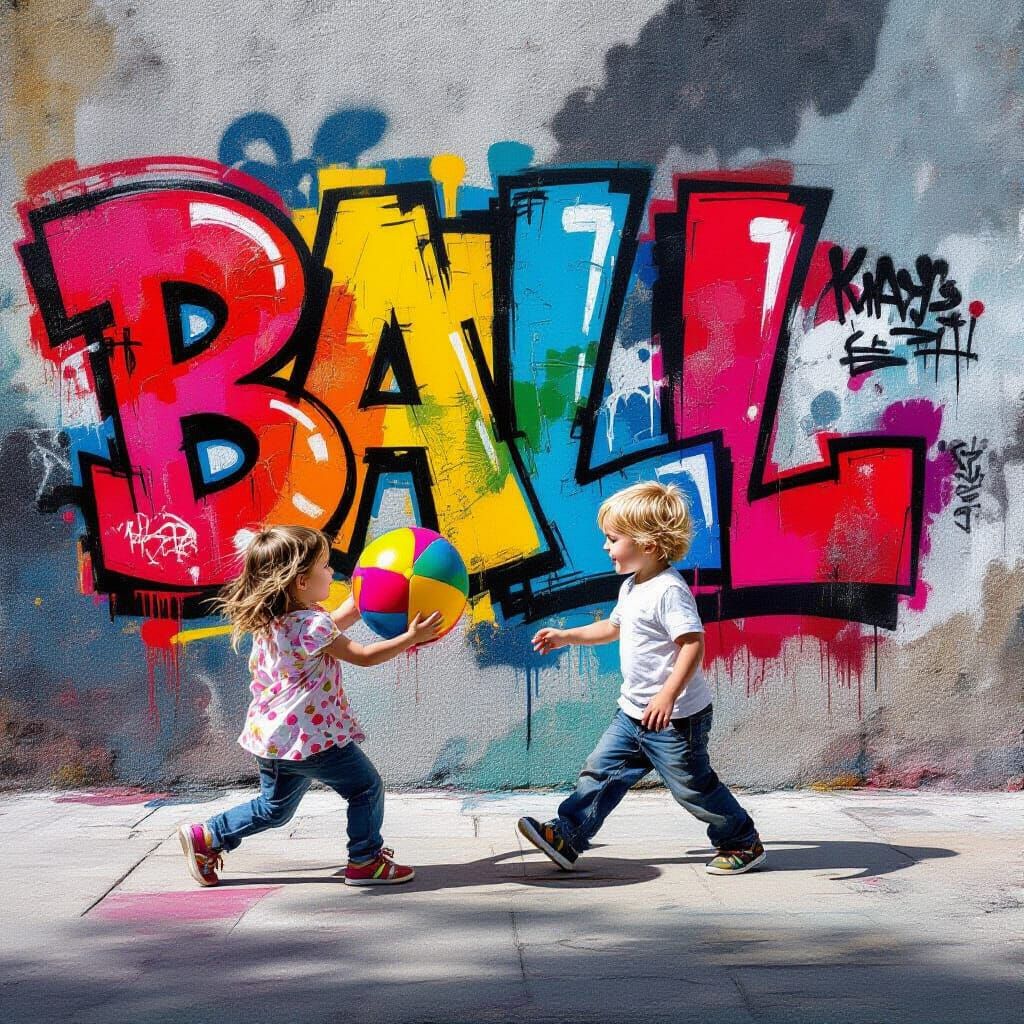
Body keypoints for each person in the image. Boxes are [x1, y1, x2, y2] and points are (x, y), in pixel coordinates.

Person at [518, 481, 765, 875]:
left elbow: (693, 644)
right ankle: (568, 834)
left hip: (676, 719)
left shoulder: (669, 591)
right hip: (633, 712)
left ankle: (741, 841)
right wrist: (566, 636)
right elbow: (612, 628)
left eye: (613, 539)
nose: (606, 547)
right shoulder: (632, 586)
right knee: (599, 771)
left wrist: (667, 695)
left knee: (692, 787)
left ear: (648, 545)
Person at [177, 525, 440, 888]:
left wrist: (362, 603)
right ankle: (365, 860)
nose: (332, 572)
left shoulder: (274, 621)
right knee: (365, 788)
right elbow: (363, 655)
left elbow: (329, 628)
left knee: (274, 809)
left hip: (274, 740)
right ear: (302, 581)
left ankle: (209, 835)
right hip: (312, 739)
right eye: (325, 566)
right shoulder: (312, 624)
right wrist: (411, 637)